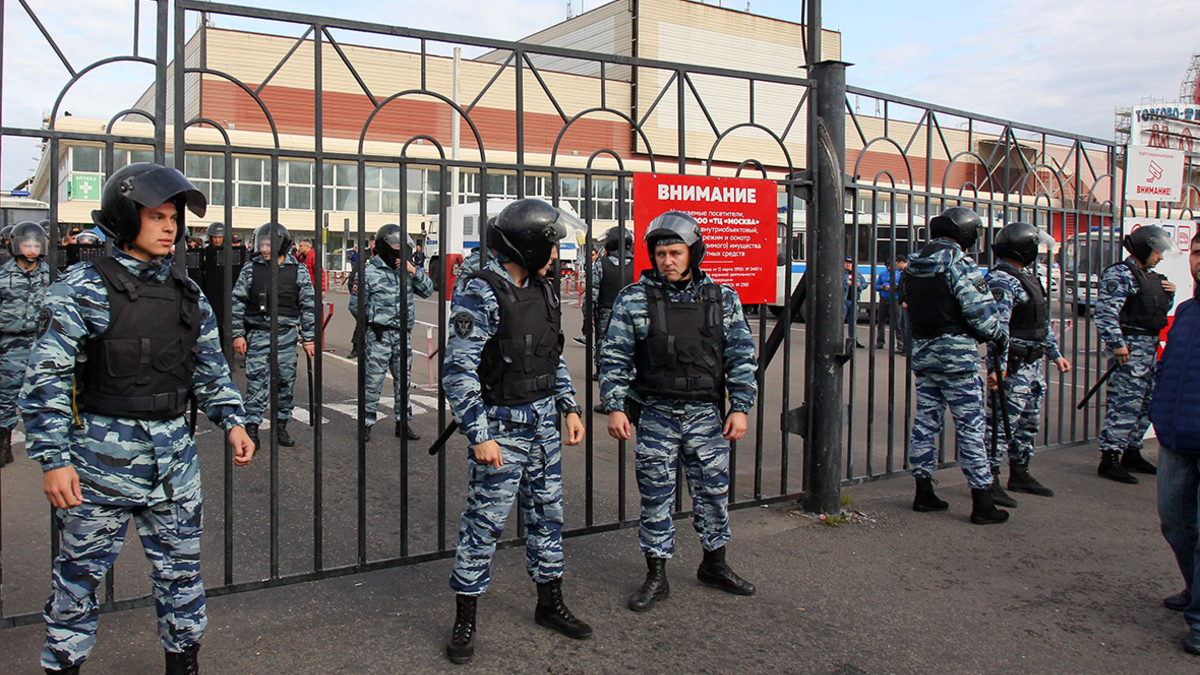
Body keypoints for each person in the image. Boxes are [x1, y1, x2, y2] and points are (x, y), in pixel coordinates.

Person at [18, 162, 254, 675]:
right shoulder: (80, 290)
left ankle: (183, 663)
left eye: (174, 217)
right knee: (76, 587)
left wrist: (233, 421)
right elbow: (46, 383)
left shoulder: (189, 296)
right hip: (96, 471)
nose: (170, 227)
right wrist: (54, 460)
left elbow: (210, 372)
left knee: (182, 582)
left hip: (174, 470)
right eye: (156, 216)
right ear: (127, 219)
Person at [443, 198, 590, 664]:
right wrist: (480, 434)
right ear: (526, 246)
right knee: (484, 526)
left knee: (547, 517)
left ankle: (550, 603)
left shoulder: (544, 290)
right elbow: (459, 371)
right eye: (549, 246)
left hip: (545, 424)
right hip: (503, 428)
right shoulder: (480, 292)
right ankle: (465, 617)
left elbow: (553, 354)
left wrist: (569, 406)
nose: (556, 256)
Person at [599, 211, 759, 612]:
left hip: (706, 416)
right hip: (656, 414)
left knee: (714, 492)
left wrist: (740, 406)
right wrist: (615, 406)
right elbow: (614, 357)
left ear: (693, 253)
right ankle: (657, 574)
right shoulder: (634, 299)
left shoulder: (722, 299)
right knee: (655, 496)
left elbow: (741, 356)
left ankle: (715, 564)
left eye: (675, 252)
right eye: (660, 253)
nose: (666, 260)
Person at [902, 206, 1008, 525]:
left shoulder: (915, 264)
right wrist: (998, 335)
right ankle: (982, 501)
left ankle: (923, 492)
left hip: (924, 352)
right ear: (965, 234)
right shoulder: (958, 263)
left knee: (925, 423)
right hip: (958, 357)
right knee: (971, 427)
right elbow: (981, 314)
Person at [984, 222, 1071, 506]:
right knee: (1000, 425)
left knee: (1028, 423)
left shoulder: (1027, 278)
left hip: (1032, 367)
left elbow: (1040, 324)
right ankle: (990, 479)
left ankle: (1019, 472)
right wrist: (996, 368)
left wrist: (1055, 354)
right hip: (1013, 367)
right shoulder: (1002, 280)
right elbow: (998, 328)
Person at [1095, 225, 1175, 483]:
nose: (1160, 257)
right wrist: (1117, 344)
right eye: (1157, 252)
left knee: (1145, 403)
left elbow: (1154, 309)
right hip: (1130, 349)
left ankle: (1131, 450)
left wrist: (1169, 294)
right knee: (1124, 403)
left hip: (1149, 348)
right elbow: (1107, 312)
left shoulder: (1152, 276)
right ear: (1144, 248)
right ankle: (1110, 457)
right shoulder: (1120, 274)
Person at [1152, 231, 1200, 654]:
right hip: (1177, 438)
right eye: (1199, 251)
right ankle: (1194, 588)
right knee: (1176, 523)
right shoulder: (1186, 310)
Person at [231, 223, 316, 450]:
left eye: (270, 245)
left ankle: (281, 425)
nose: (265, 249)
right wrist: (238, 335)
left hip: (287, 336)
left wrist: (309, 339)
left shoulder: (298, 271)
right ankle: (252, 428)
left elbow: (309, 307)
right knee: (256, 383)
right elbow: (236, 304)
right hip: (258, 334)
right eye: (263, 244)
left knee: (285, 383)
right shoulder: (250, 270)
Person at [351, 225, 434, 441]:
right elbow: (355, 306)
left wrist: (413, 271)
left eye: (401, 246)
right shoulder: (368, 272)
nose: (399, 249)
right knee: (372, 382)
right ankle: (366, 424)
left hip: (402, 336)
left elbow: (427, 290)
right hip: (379, 336)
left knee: (403, 381)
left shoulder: (405, 270)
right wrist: (376, 319)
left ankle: (403, 423)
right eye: (395, 246)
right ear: (384, 246)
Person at [0, 221, 50, 467]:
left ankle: (48, 447)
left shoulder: (50, 275)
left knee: (46, 395)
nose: (31, 248)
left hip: (41, 342)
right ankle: (3, 443)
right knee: (6, 396)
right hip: (11, 344)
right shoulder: (2, 275)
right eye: (26, 243)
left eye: (35, 244)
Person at [875, 255, 908, 352]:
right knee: (881, 321)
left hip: (895, 299)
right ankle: (880, 342)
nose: (889, 268)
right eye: (887, 266)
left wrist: (895, 287)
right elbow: (876, 286)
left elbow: (902, 286)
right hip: (884, 298)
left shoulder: (899, 274)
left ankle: (900, 344)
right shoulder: (882, 274)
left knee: (897, 323)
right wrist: (882, 287)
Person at [845, 256, 868, 348]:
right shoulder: (841, 273)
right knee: (840, 321)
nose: (848, 264)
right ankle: (836, 340)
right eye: (847, 262)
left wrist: (859, 285)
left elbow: (865, 284)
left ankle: (854, 340)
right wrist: (847, 282)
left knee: (853, 322)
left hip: (854, 301)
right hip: (844, 301)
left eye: (850, 263)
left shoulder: (857, 274)